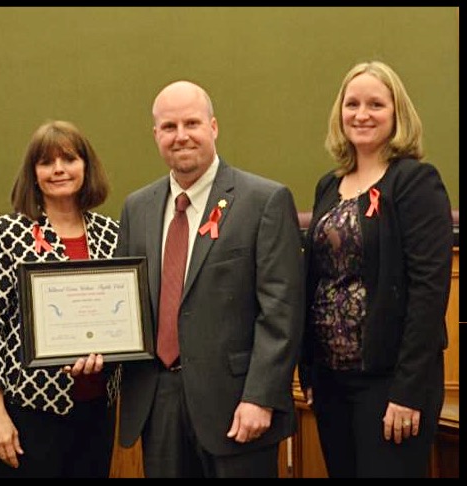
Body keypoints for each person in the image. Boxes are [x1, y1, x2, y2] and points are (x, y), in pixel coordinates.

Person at [115, 80, 305, 478]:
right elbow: (125, 307)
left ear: (213, 127)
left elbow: (281, 312)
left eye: (192, 123)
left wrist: (260, 397)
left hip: (237, 405)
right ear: (156, 135)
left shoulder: (263, 201)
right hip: (158, 403)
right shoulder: (137, 208)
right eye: (169, 127)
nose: (181, 136)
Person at [298, 61, 454, 478]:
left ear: (396, 113)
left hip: (389, 385)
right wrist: (308, 369)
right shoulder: (329, 185)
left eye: (375, 105)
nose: (361, 114)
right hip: (331, 382)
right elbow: (317, 280)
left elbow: (428, 293)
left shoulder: (415, 182)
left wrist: (408, 391)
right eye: (352, 104)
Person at [0, 120, 122, 478]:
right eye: (46, 162)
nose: (58, 170)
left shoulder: (112, 234)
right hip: (26, 412)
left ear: (86, 166)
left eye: (69, 159)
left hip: (96, 412)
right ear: (33, 173)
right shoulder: (7, 233)